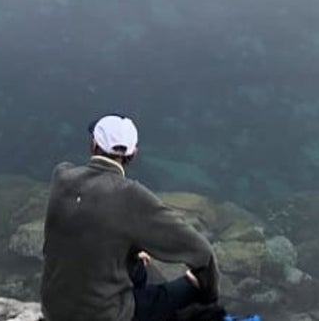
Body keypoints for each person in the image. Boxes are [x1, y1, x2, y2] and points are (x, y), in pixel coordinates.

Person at [40, 113, 222, 321]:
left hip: (54, 311)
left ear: (93, 144)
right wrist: (209, 293)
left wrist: (132, 255)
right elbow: (202, 254)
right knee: (193, 287)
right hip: (105, 316)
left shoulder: (62, 176)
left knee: (139, 269)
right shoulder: (133, 197)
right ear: (133, 154)